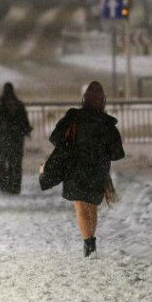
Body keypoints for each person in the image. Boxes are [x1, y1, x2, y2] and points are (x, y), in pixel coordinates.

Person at [50, 81, 125, 257]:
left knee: (80, 205)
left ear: (84, 99)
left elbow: (55, 137)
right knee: (91, 206)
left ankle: (88, 243)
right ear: (103, 100)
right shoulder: (107, 124)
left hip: (75, 166)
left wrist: (69, 147)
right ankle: (91, 241)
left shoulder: (73, 117)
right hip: (98, 170)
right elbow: (117, 153)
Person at [0, 82, 32, 194]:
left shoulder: (1, 105)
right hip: (17, 138)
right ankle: (15, 187)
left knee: (5, 163)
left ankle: (6, 186)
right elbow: (25, 122)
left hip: (5, 139)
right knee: (16, 163)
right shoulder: (19, 105)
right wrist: (23, 130)